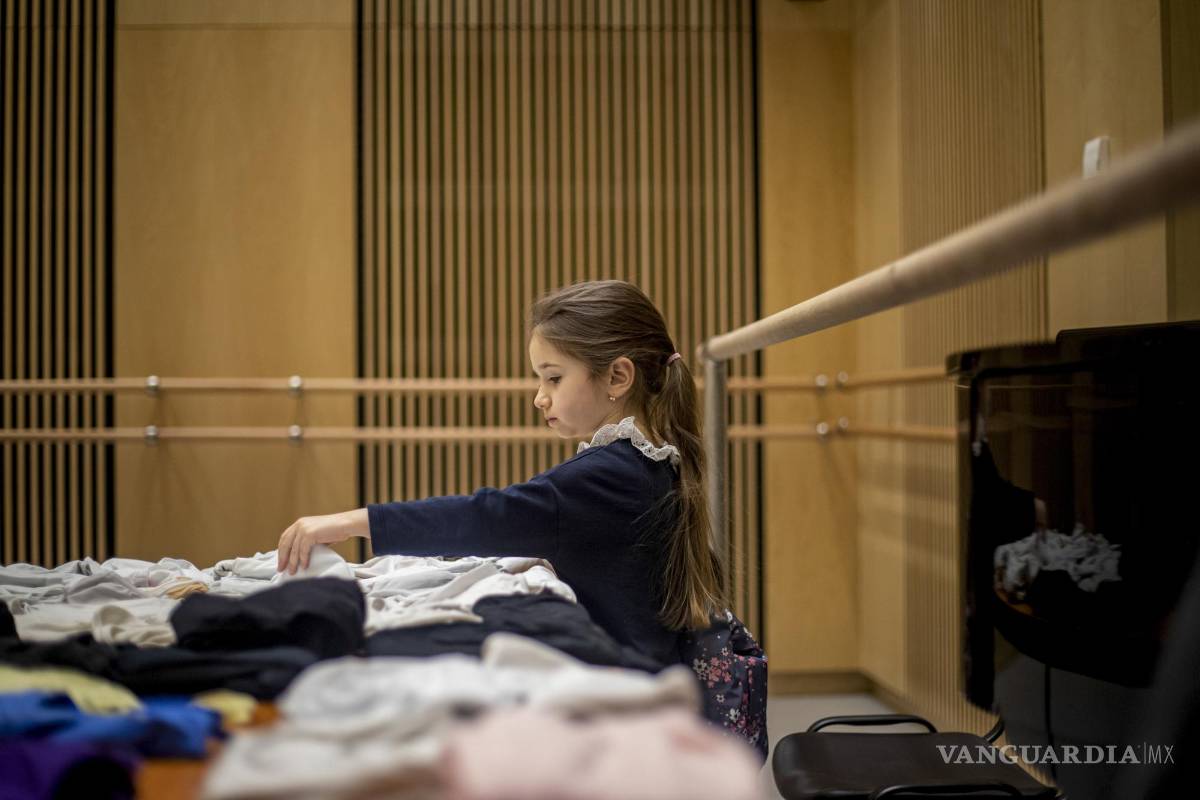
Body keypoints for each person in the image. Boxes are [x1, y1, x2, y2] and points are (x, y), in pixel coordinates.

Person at [275, 279, 726, 667]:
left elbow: (486, 515)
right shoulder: (641, 463)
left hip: (623, 684)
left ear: (617, 378)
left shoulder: (612, 475)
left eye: (553, 378)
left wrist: (351, 521)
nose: (539, 397)